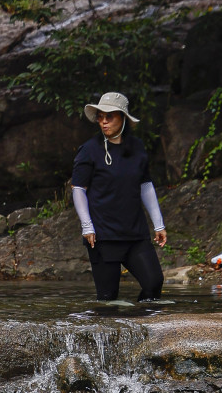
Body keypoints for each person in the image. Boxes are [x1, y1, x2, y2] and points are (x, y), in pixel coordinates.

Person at [71, 91, 167, 302]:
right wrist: (87, 226)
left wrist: (158, 224)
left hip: (135, 233)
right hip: (103, 236)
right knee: (108, 299)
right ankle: (114, 324)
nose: (103, 122)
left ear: (123, 117)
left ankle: (143, 321)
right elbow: (78, 189)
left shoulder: (137, 147)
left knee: (154, 283)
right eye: (100, 117)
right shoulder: (89, 150)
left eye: (109, 116)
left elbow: (145, 185)